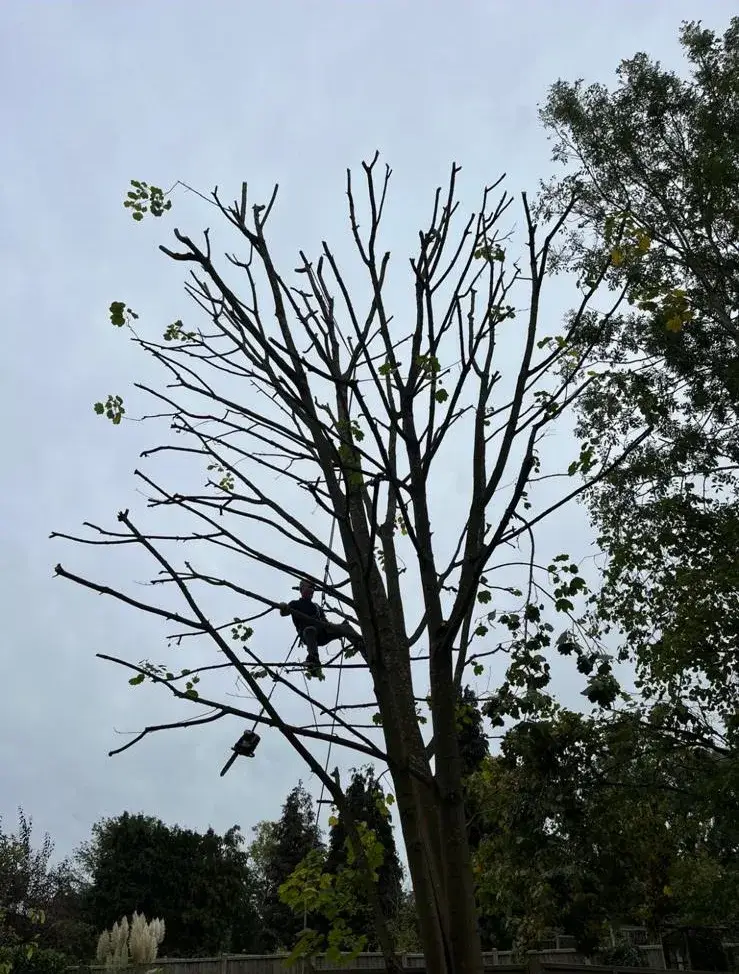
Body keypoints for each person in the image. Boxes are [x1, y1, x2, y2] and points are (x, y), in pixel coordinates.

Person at [279, 579, 355, 678]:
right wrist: (283, 606)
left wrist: (339, 627)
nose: (312, 590)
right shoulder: (295, 604)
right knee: (310, 629)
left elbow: (326, 623)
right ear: (301, 589)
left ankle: (362, 644)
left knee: (346, 627)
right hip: (309, 634)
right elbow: (284, 613)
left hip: (323, 632)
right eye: (309, 587)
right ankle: (313, 659)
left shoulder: (317, 607)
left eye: (313, 588)